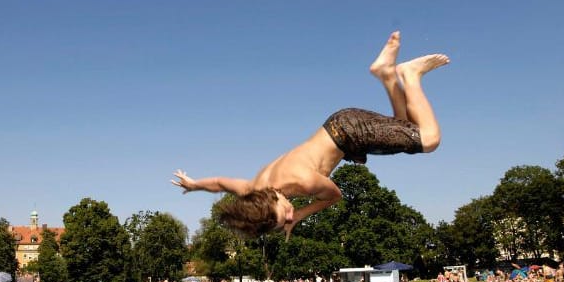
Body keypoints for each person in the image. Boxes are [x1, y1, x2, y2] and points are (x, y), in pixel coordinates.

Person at [172, 31, 450, 238]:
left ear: (271, 202)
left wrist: (300, 216)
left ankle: (410, 74)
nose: (290, 213)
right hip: (341, 129)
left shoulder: (302, 182)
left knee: (428, 139)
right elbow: (220, 183)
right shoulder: (253, 189)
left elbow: (334, 196)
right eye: (285, 219)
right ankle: (387, 73)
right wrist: (194, 185)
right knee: (402, 125)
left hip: (351, 132)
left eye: (285, 213)